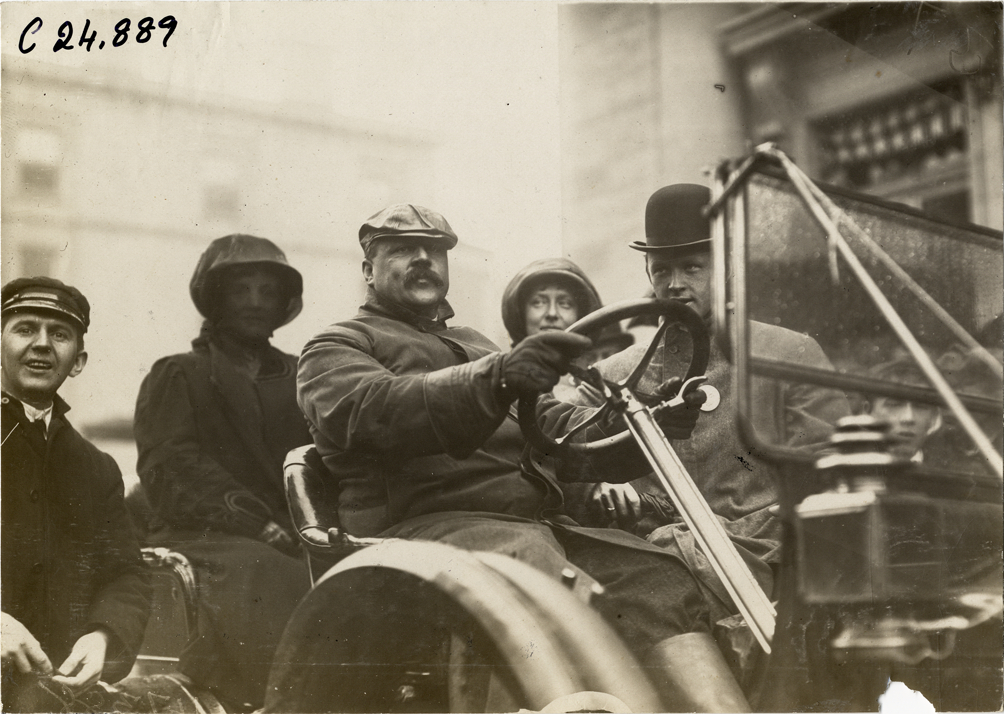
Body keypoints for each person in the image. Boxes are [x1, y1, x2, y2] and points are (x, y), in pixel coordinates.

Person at [296, 203, 751, 712]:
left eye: (436, 251)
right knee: (538, 577)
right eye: (403, 250)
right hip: (418, 534)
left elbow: (556, 431)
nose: (423, 260)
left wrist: (644, 426)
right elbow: (372, 411)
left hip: (528, 530)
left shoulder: (474, 343)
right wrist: (496, 377)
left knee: (655, 579)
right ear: (368, 270)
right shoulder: (336, 346)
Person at [538, 184, 850, 656]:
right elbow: (560, 444)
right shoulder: (616, 373)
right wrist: (600, 486)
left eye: (692, 268)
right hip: (654, 564)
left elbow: (829, 479)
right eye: (661, 269)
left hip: (764, 559)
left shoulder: (788, 354)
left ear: (726, 267)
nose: (675, 284)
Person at [133, 235, 312, 711]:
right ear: (215, 299)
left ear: (283, 303)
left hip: (295, 532)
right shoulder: (179, 374)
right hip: (202, 530)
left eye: (267, 291)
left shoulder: (304, 378)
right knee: (267, 573)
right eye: (241, 290)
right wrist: (259, 524)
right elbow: (172, 468)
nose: (255, 302)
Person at [1, 277, 151, 712]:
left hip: (55, 693)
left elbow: (126, 573)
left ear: (78, 361)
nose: (43, 345)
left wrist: (104, 634)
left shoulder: (95, 467)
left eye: (60, 334)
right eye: (25, 329)